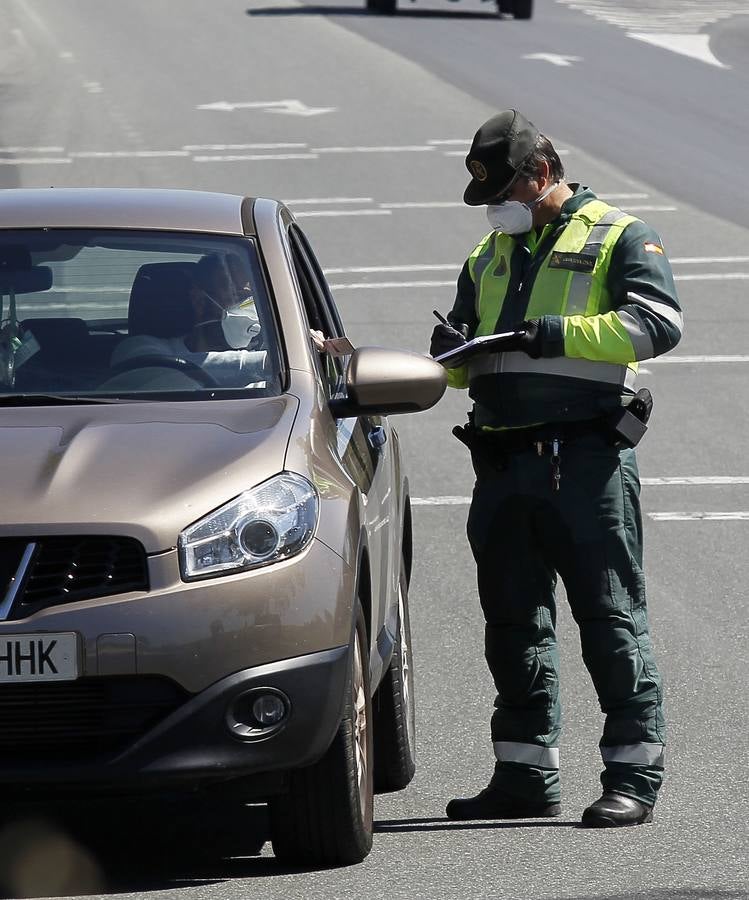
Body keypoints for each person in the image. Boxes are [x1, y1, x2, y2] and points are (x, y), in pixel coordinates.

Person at [430, 109, 683, 828]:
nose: (496, 209)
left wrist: (557, 335)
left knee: (608, 618)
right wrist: (447, 352)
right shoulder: (487, 255)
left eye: (505, 191)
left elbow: (657, 322)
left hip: (584, 463)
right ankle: (522, 774)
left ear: (540, 173)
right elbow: (456, 368)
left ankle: (632, 776)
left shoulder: (617, 236)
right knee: (511, 624)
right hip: (502, 463)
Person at [111, 256, 265, 388]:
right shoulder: (141, 348)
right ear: (199, 300)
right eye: (235, 294)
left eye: (251, 299)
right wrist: (263, 365)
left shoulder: (276, 374)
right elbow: (156, 373)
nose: (247, 307)